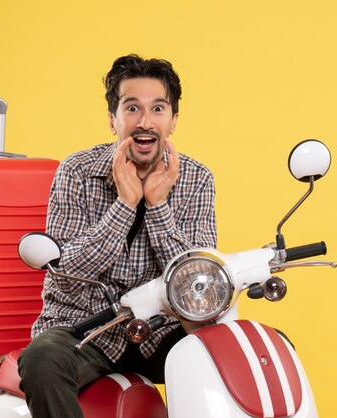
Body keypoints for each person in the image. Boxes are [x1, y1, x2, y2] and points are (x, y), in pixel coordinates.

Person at [18, 54, 217, 418]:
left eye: (158, 108)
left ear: (173, 121)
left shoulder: (197, 179)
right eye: (132, 108)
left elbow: (197, 283)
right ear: (113, 120)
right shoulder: (76, 172)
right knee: (41, 360)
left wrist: (157, 206)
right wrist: (125, 204)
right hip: (85, 330)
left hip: (160, 334)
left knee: (247, 348)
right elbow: (65, 280)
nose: (145, 121)